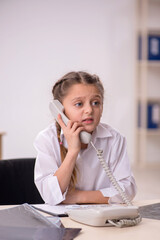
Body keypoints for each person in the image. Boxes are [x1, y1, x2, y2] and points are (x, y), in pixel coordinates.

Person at [34, 71, 137, 206]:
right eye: (79, 104)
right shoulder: (47, 139)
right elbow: (50, 196)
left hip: (103, 218)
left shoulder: (114, 139)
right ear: (59, 110)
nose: (89, 110)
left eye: (95, 102)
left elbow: (127, 190)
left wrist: (77, 196)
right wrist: (72, 151)